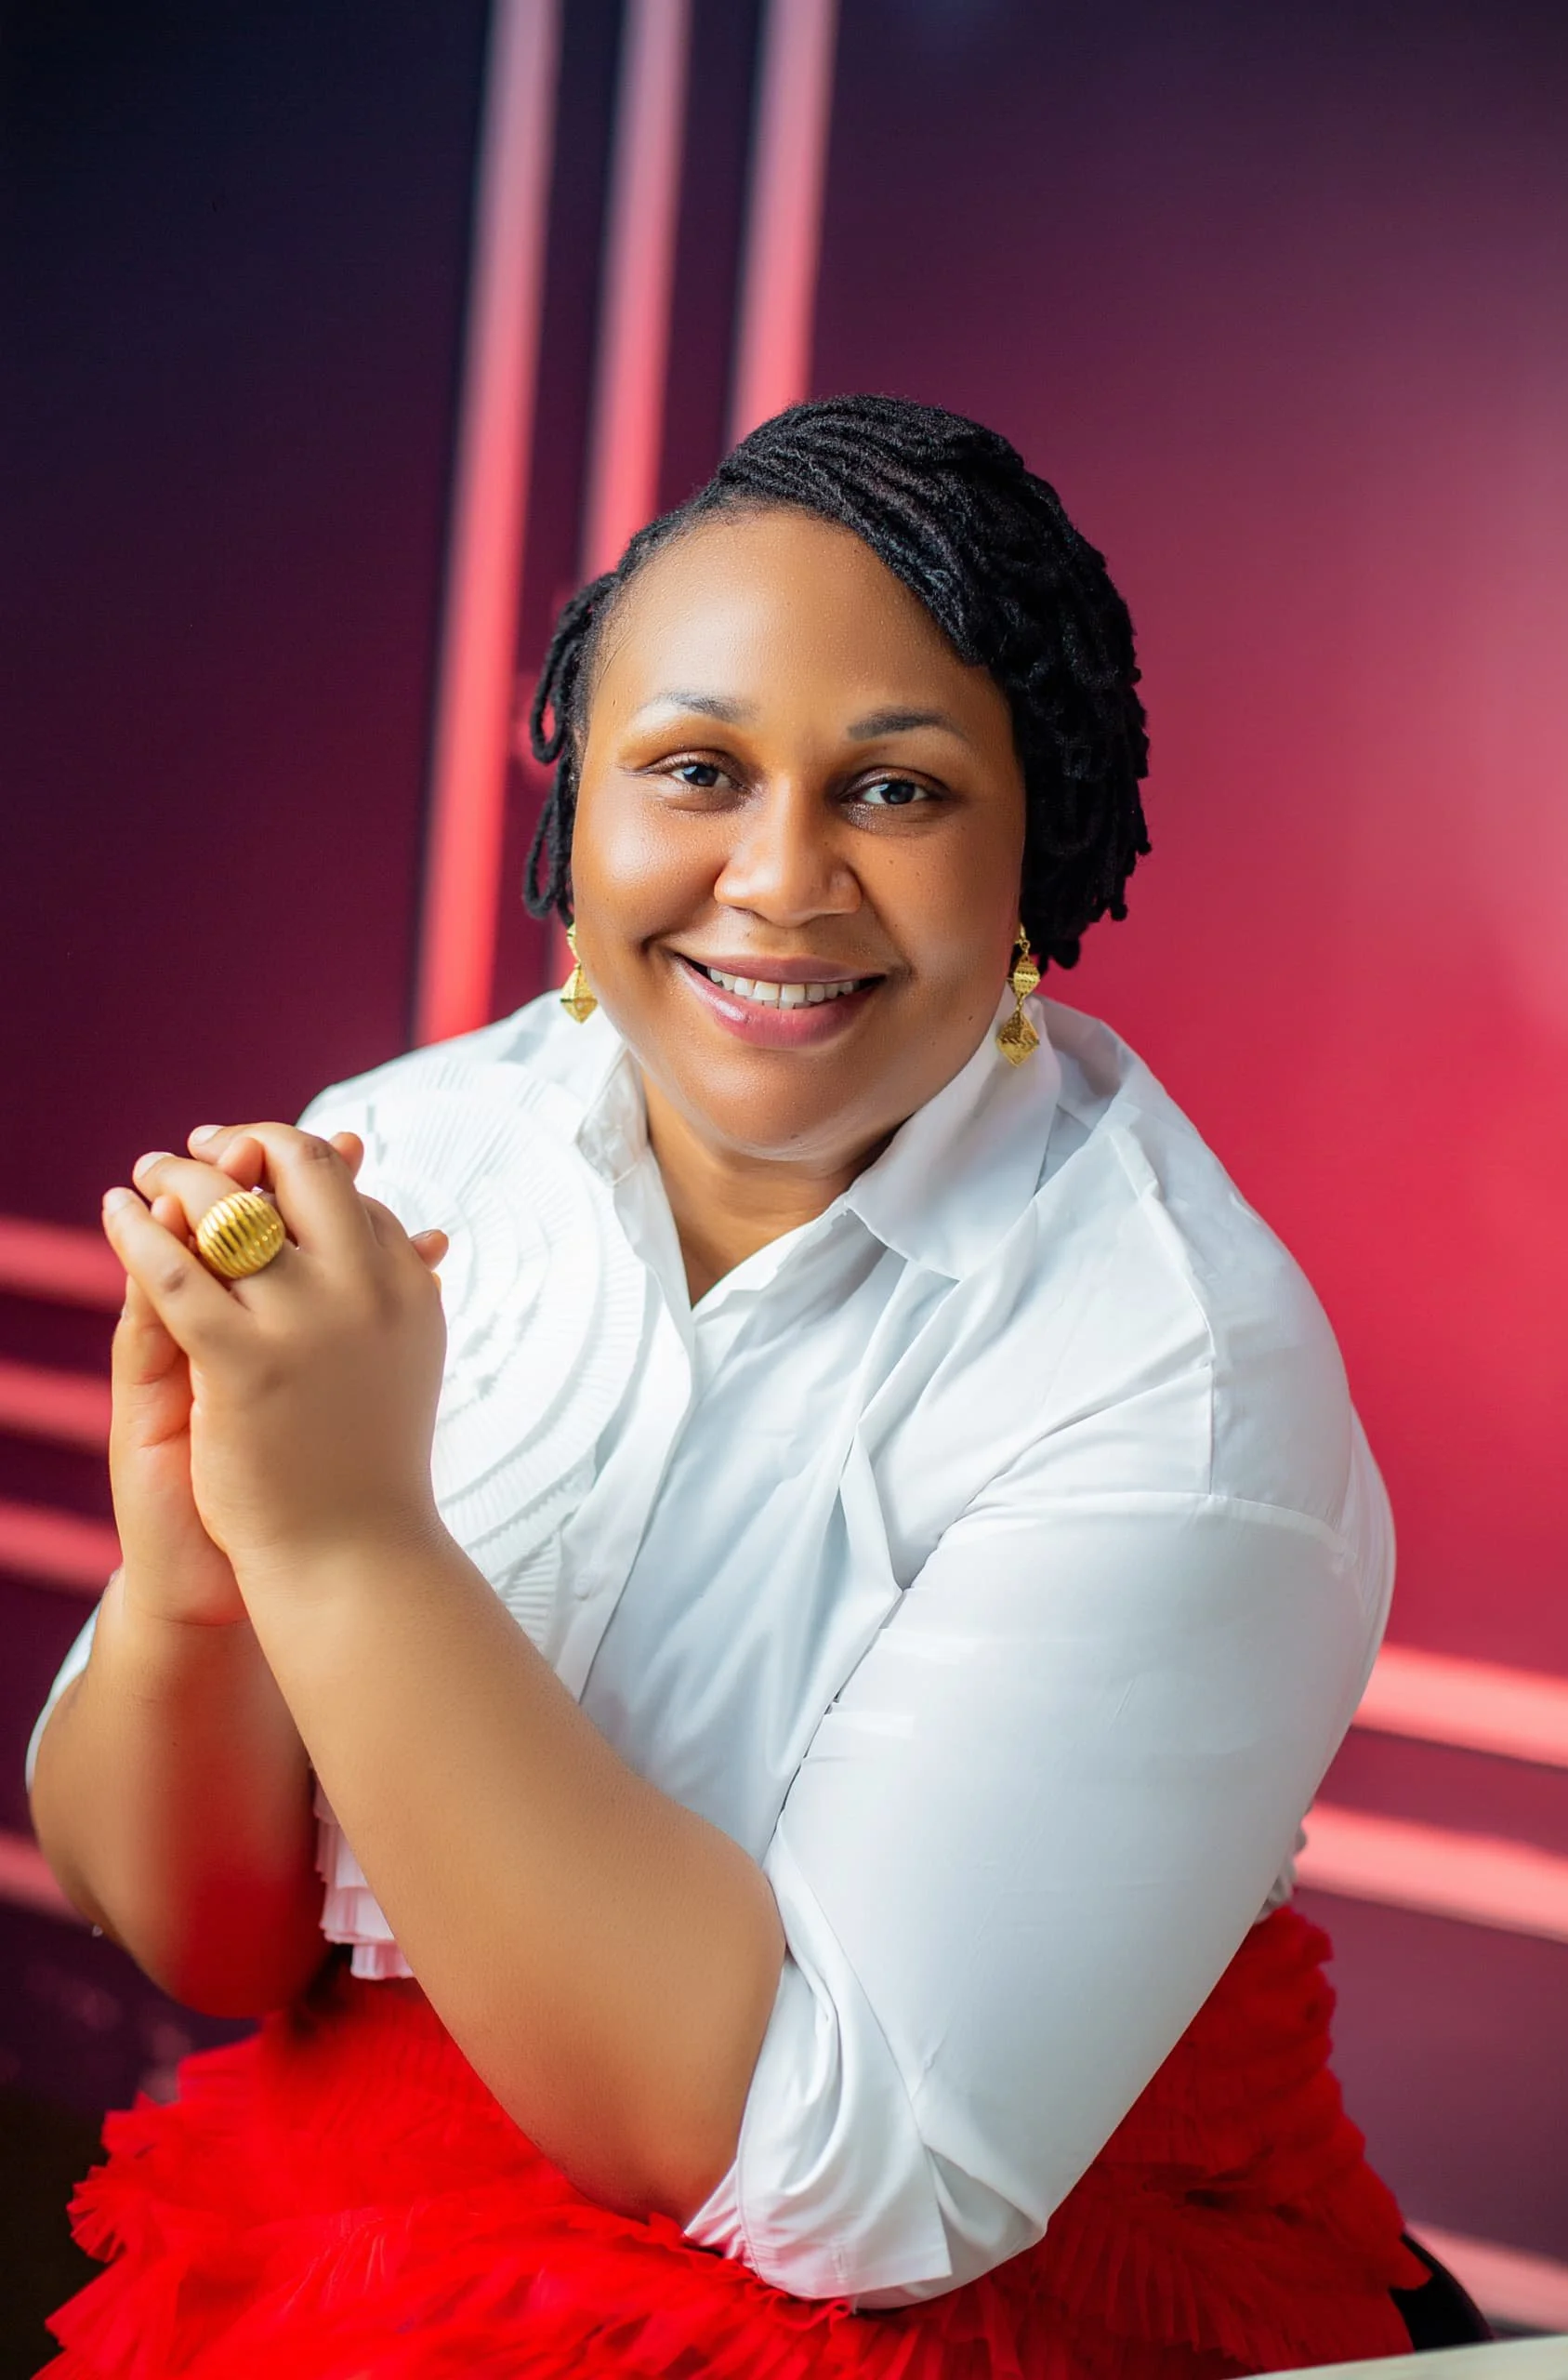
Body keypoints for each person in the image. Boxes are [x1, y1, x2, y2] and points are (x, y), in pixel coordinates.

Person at [28, 395, 1430, 2378]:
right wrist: (196, 1576)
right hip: (362, 2196)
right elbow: (205, 1937)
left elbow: (853, 2179)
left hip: (905, 2289)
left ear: (1047, 838)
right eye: (693, 767)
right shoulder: (409, 1151)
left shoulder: (1178, 1377)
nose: (775, 880)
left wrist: (343, 1542)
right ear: (572, 812)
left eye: (897, 792)